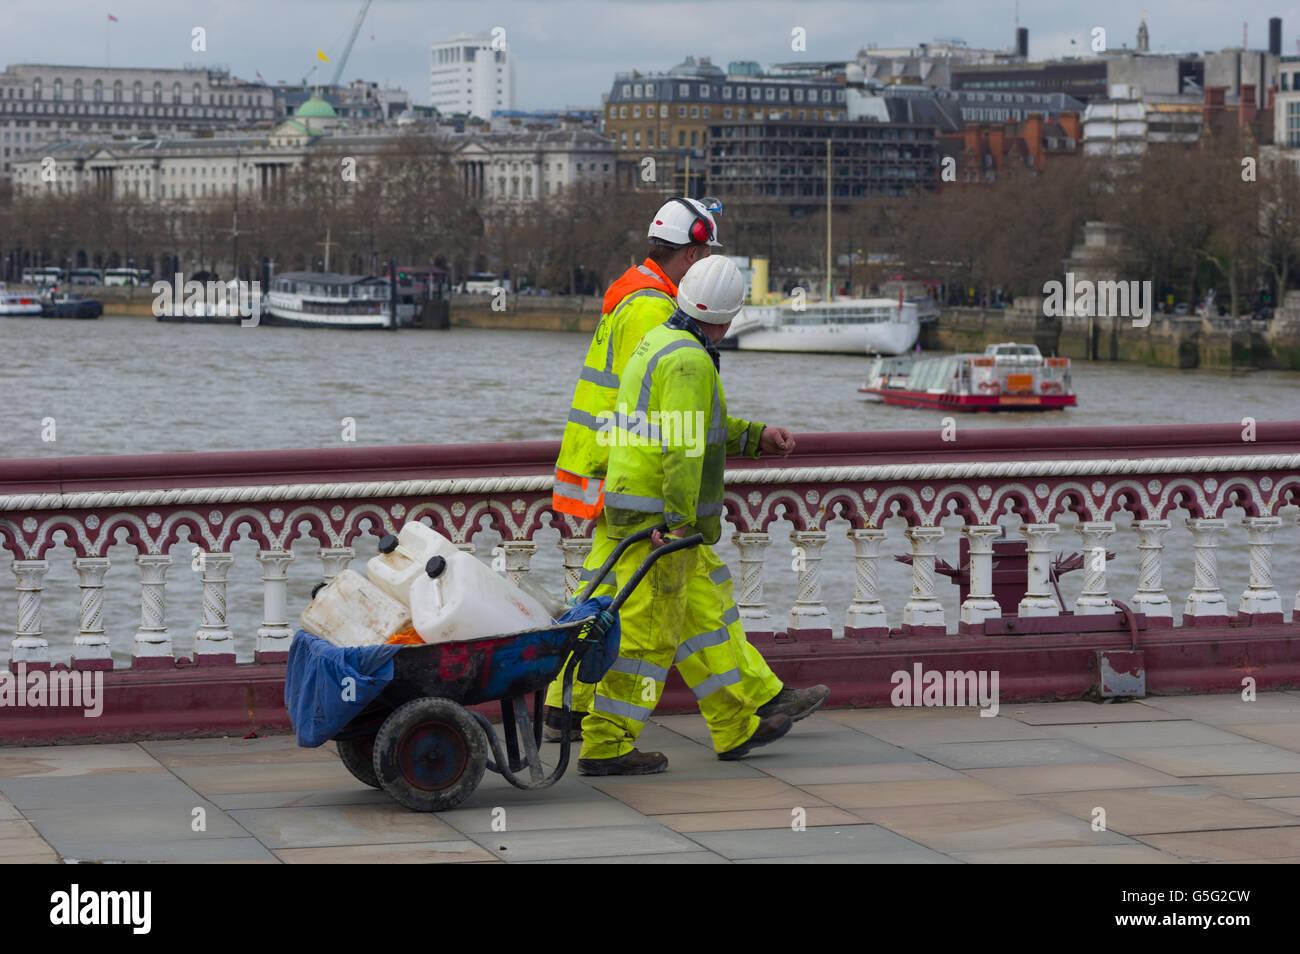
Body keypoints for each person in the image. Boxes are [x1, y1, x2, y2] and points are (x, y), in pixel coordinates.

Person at [544, 197, 828, 745]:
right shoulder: (656, 311)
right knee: (660, 614)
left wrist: (749, 436)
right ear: (694, 253)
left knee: (645, 599)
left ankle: (572, 706)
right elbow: (678, 429)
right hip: (641, 485)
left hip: (615, 474)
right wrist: (679, 516)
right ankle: (711, 714)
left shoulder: (639, 303)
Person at [577, 256, 795, 774]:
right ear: (731, 314)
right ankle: (606, 744)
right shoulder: (690, 361)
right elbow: (683, 451)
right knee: (647, 639)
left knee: (706, 618)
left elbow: (696, 425)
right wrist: (677, 525)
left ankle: (736, 724)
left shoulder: (661, 342)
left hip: (639, 508)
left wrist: (755, 437)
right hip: (660, 522)